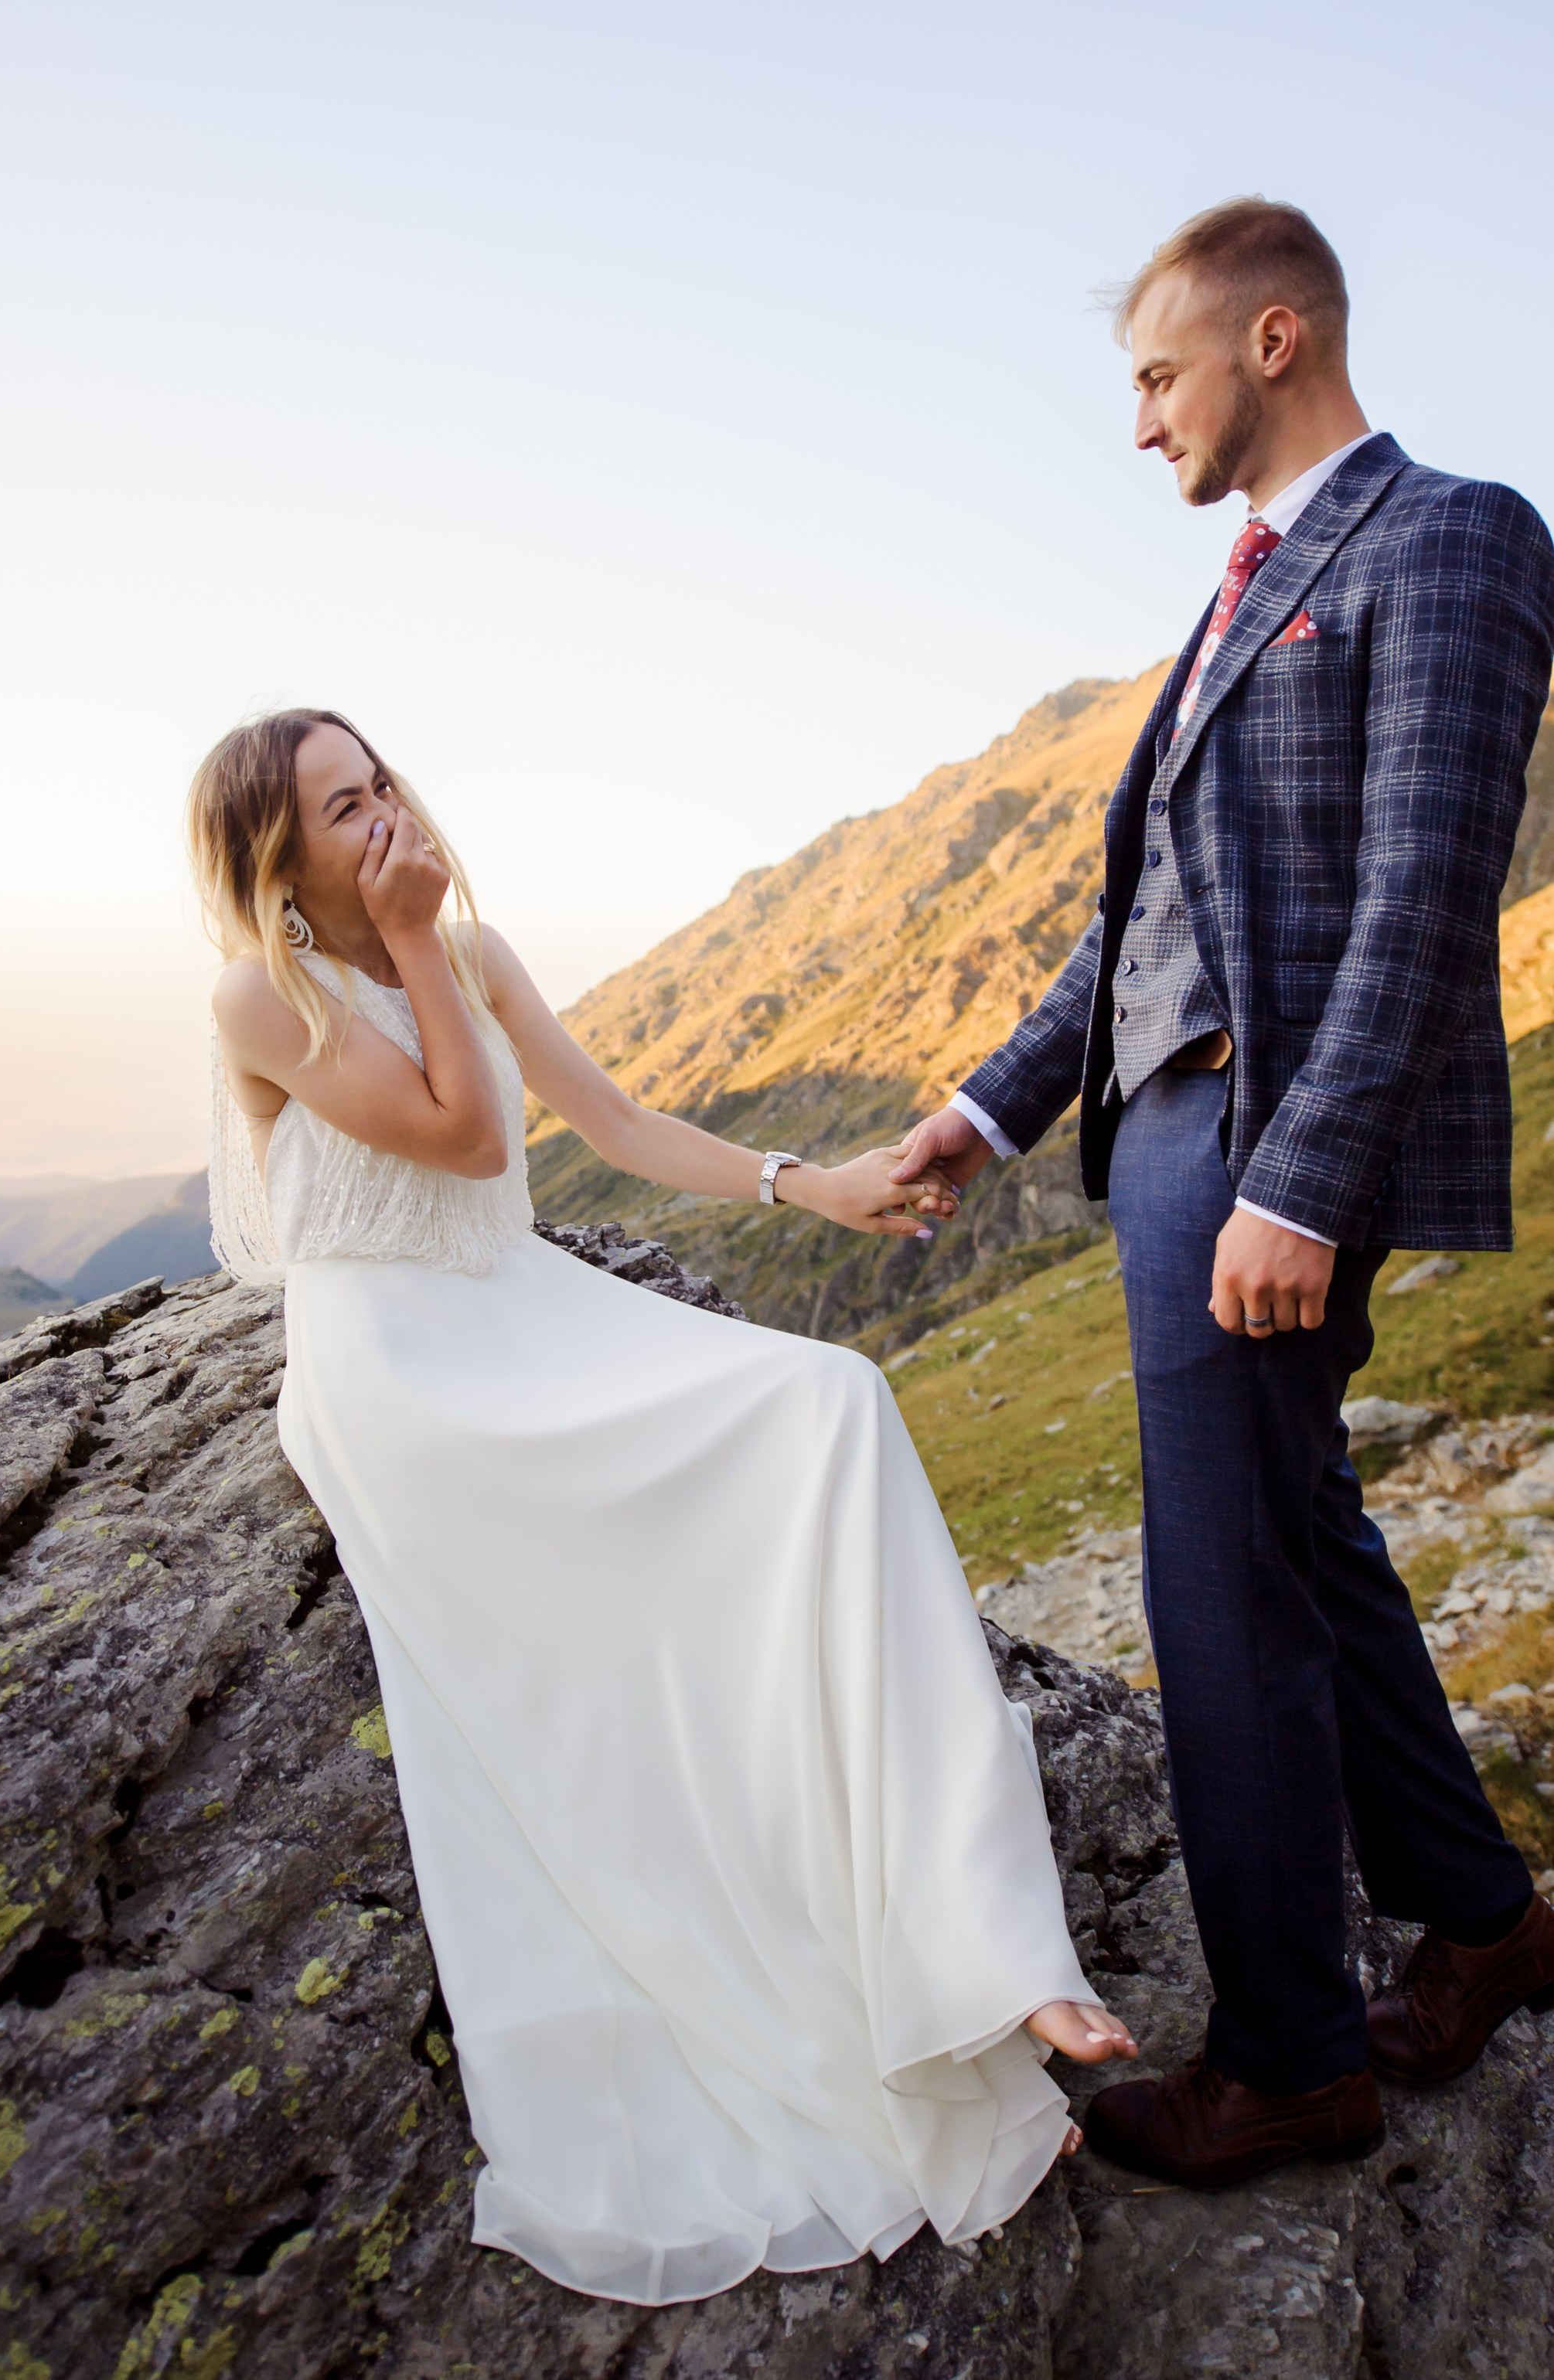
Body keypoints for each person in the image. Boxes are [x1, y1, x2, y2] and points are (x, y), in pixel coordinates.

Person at [188, 707, 1133, 2307]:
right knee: (679, 1579)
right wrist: (420, 939)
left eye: (383, 784)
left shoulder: (469, 949)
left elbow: (607, 1124)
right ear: (277, 860)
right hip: (405, 1367)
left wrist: (806, 1181)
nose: (384, 821)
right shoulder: (261, 993)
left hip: (522, 1304)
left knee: (832, 1403)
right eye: (342, 809)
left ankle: (985, 1949)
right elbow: (459, 1130)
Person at [892, 197, 1554, 2191]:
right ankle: (1487, 1912)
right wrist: (985, 1112)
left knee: (1225, 1582)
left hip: (1265, 1146)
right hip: (1177, 1131)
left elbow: (1430, 893)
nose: (1140, 420)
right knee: (1303, 1529)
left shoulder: (1454, 533)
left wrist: (1300, 1178)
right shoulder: (1239, 593)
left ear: (1276, 340)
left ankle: (1289, 2058)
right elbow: (1143, 927)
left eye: (1155, 375)